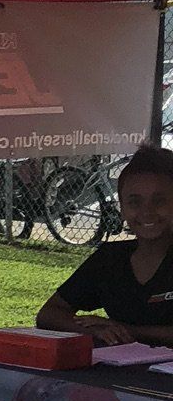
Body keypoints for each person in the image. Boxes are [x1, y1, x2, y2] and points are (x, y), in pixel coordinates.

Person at [37, 146, 173, 346]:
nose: (147, 212)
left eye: (159, 201)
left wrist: (128, 331)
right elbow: (49, 314)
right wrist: (94, 329)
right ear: (122, 207)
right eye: (134, 202)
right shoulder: (110, 258)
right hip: (120, 372)